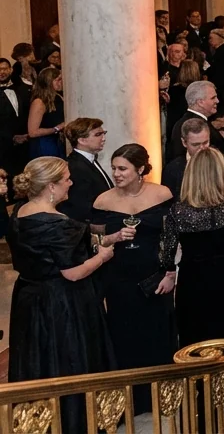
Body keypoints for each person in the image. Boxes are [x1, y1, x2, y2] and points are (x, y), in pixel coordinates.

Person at [8, 156, 123, 434]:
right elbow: (72, 272)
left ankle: (38, 422)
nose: (71, 183)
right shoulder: (59, 223)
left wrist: (102, 241)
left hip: (29, 297)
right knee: (69, 359)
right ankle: (74, 422)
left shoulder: (19, 213)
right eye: (66, 179)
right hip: (63, 302)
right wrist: (104, 257)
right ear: (50, 186)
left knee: (38, 359)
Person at [90, 144, 175, 415]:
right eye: (114, 168)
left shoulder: (162, 194)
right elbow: (92, 240)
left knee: (158, 333)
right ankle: (130, 401)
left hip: (155, 276)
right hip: (119, 279)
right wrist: (111, 238)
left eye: (122, 168)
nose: (116, 173)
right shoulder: (102, 201)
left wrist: (171, 272)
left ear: (140, 169)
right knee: (124, 336)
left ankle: (162, 396)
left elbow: (174, 235)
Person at [159, 147, 224, 345]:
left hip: (193, 283)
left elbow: (167, 253)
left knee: (195, 340)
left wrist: (168, 271)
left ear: (191, 175)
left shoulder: (179, 211)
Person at [60, 118, 112, 223]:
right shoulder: (75, 167)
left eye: (104, 133)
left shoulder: (89, 159)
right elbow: (81, 206)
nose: (103, 138)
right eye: (98, 135)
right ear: (82, 140)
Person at [26, 67, 65, 159]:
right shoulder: (39, 102)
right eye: (58, 80)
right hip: (44, 145)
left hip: (57, 142)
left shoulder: (58, 97)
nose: (61, 82)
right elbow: (32, 132)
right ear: (48, 81)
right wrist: (56, 128)